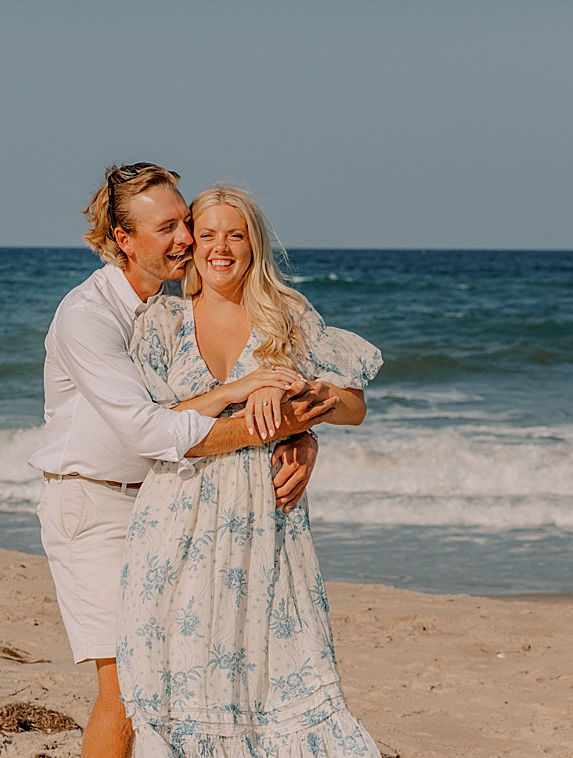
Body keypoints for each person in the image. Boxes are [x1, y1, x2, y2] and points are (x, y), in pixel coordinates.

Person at [30, 163, 341, 758]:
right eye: (168, 228)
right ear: (124, 239)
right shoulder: (87, 316)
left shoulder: (173, 305)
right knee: (126, 689)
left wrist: (302, 436)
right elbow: (152, 429)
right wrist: (260, 410)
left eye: (187, 224)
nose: (187, 240)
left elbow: (304, 386)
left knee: (176, 681)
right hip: (91, 503)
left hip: (159, 506)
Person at [117, 185, 381, 756]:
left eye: (234, 234)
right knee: (180, 683)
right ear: (190, 244)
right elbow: (153, 429)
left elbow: (355, 407)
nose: (220, 247)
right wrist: (240, 391)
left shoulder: (286, 316)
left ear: (252, 243)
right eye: (207, 233)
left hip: (267, 523)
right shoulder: (162, 321)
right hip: (175, 526)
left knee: (276, 681)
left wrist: (308, 407)